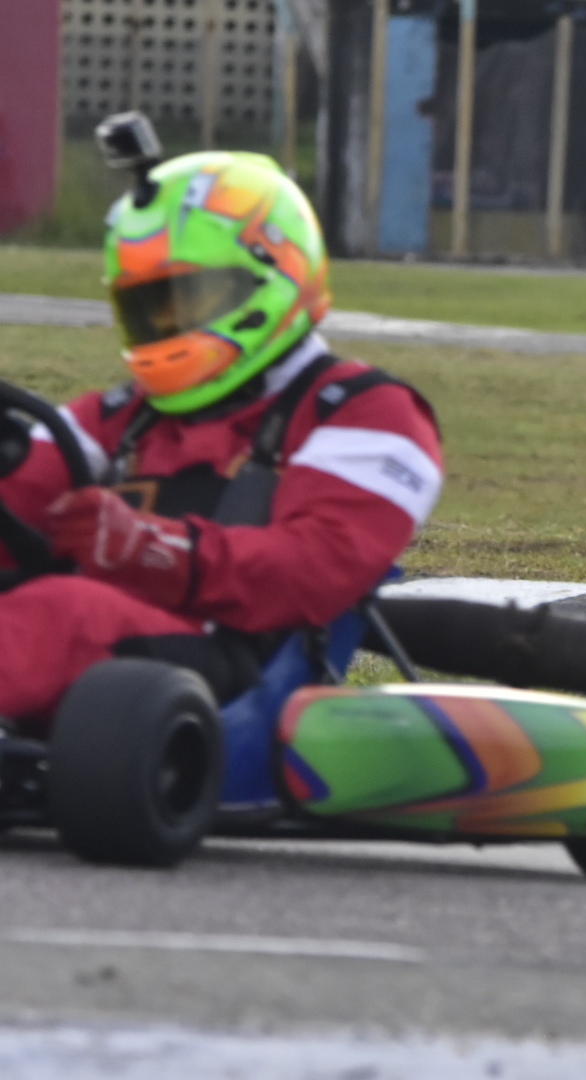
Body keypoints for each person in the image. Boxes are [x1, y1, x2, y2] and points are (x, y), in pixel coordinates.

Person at [0, 148, 445, 730]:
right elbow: (26, 489)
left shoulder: (367, 411)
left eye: (193, 299)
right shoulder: (120, 416)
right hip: (114, 681)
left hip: (239, 672)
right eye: (151, 308)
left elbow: (311, 571)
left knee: (62, 610)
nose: (170, 325)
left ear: (270, 275)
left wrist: (150, 548)